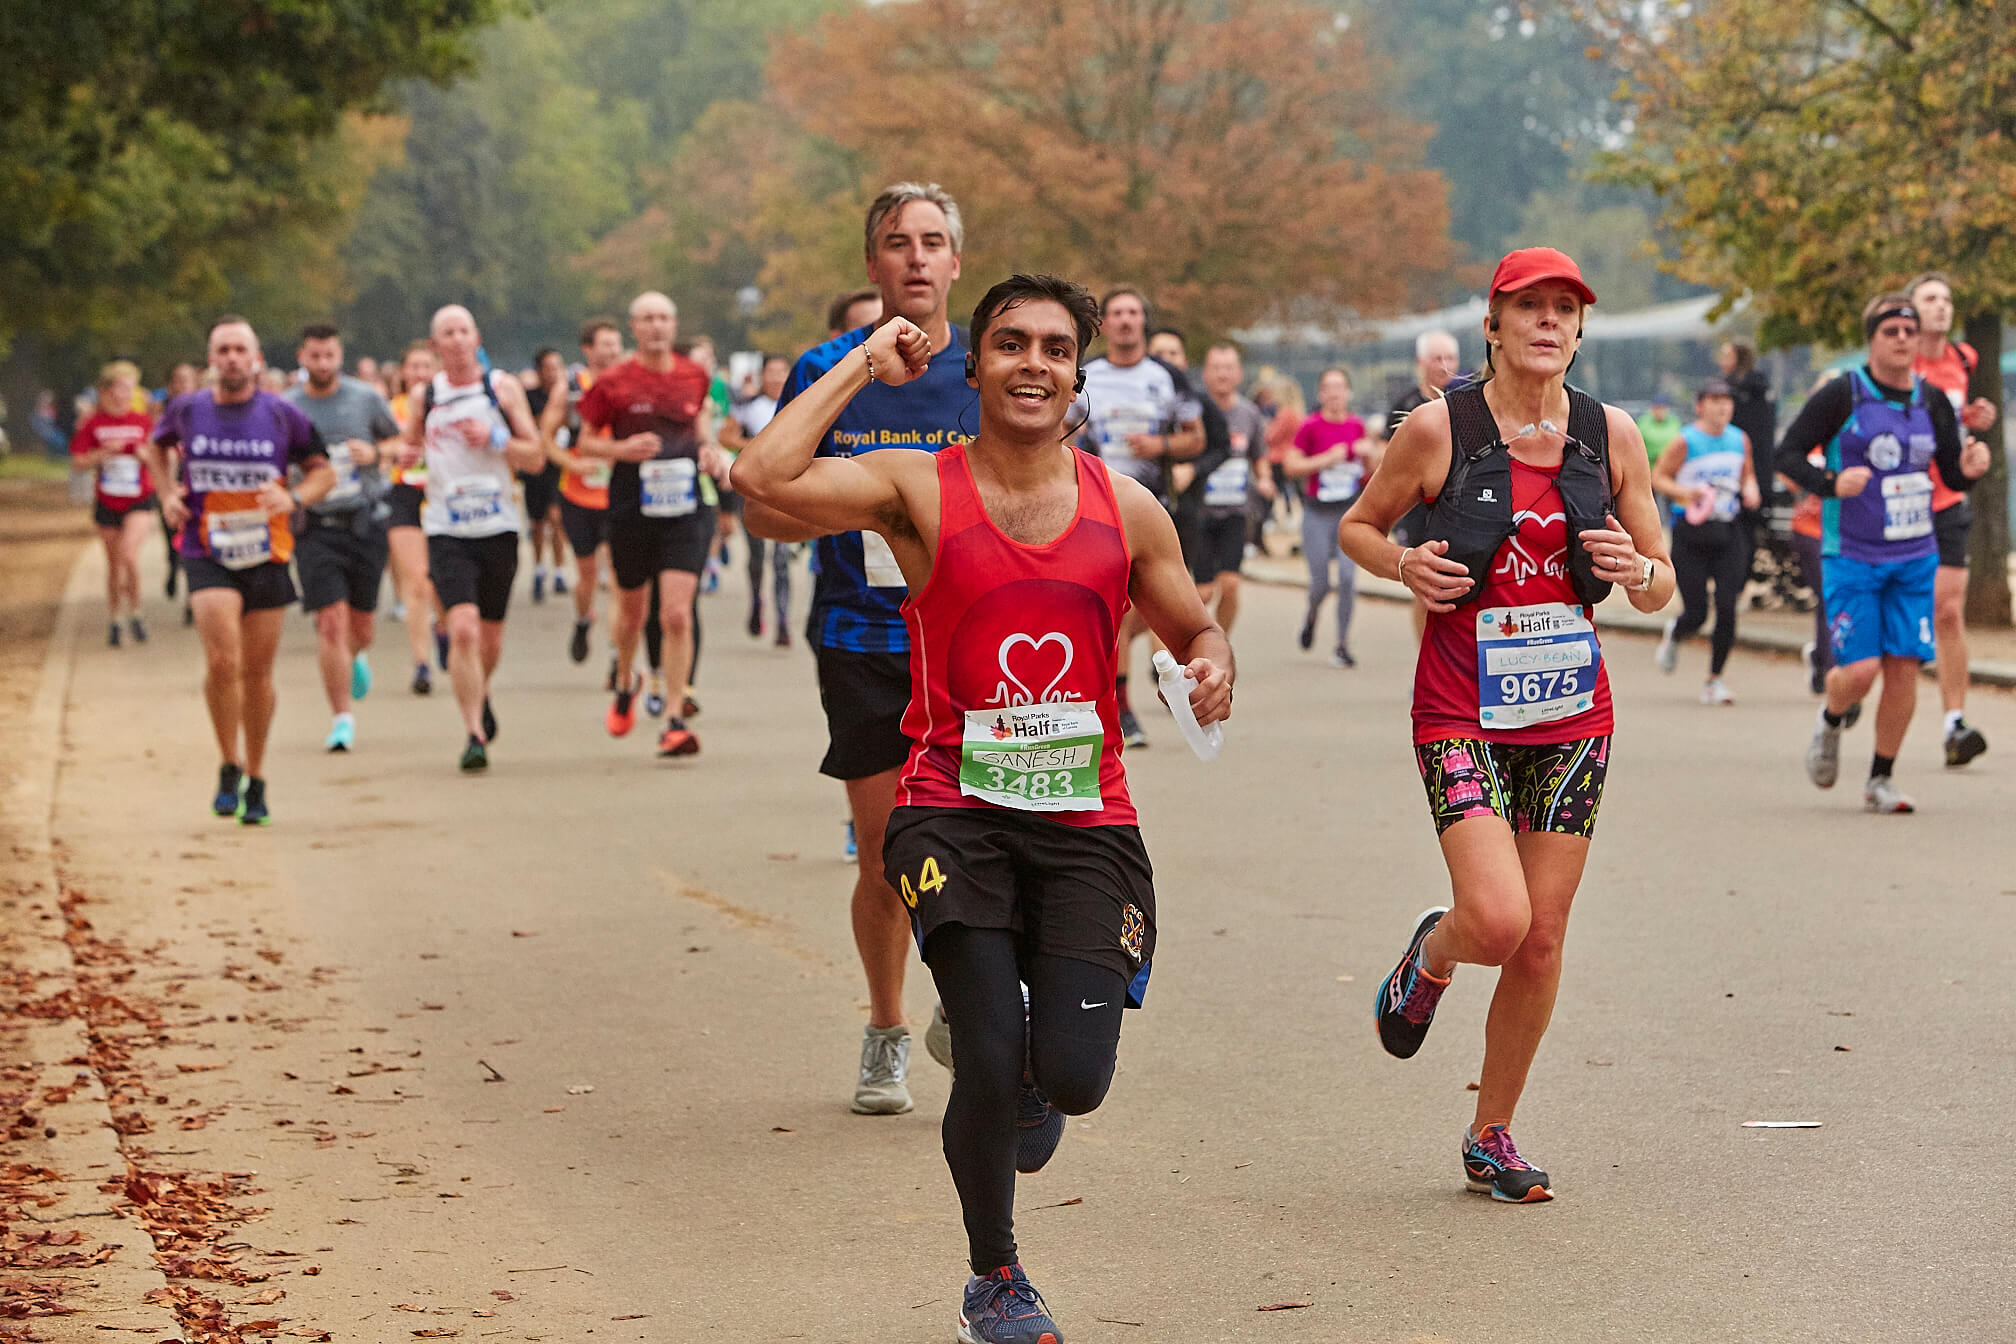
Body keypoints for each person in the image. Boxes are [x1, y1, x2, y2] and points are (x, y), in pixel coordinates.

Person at [733, 274, 1232, 1344]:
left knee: (1074, 1081)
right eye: (1011, 344)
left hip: (1085, 819)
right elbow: (759, 472)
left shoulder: (1125, 507)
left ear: (1078, 377)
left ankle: (1031, 1067)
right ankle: (996, 1279)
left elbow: (1195, 626)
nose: (1033, 363)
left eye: (1055, 348)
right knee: (994, 1055)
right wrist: (867, 361)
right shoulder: (917, 488)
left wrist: (1212, 661)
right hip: (947, 808)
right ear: (976, 365)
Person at [1340, 248, 1674, 1204]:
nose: (1548, 322)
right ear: (1493, 322)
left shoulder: (1612, 437)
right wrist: (1403, 567)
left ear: (1578, 331)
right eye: (1529, 305)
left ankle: (1493, 1132)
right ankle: (1431, 955)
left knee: (1541, 938)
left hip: (1573, 718)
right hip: (1460, 709)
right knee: (1494, 918)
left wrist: (1634, 569)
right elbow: (1362, 526)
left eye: (1565, 309)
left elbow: (1660, 581)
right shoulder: (1441, 428)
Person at [745, 182, 974, 1115]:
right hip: (865, 634)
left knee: (986, 837)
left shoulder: (993, 366)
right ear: (872, 266)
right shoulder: (827, 367)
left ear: (957, 262)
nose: (916, 258)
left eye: (932, 242)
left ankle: (971, 1002)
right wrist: (867, 513)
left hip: (976, 641)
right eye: (896, 243)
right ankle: (886, 1028)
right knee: (885, 850)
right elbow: (762, 506)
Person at [1779, 293, 1990, 813]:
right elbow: (1785, 453)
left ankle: (1880, 777)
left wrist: (1972, 464)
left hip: (1916, 555)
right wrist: (1830, 482)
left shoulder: (1932, 399)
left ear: (1918, 342)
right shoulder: (1842, 394)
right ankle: (1831, 720)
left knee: (1904, 666)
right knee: (1861, 671)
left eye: (1908, 332)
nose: (1900, 340)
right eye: (1889, 331)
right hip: (1851, 553)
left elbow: (1952, 472)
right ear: (1871, 340)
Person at [142, 317, 336, 825]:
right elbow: (154, 446)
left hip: (267, 551)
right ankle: (228, 762)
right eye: (222, 349)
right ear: (211, 359)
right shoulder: (188, 410)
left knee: (257, 672)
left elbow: (324, 470)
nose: (230, 358)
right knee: (223, 662)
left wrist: (292, 496)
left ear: (254, 359)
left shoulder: (281, 415)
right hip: (206, 549)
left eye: (239, 350)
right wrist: (167, 494)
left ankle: (257, 774)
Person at [575, 292, 726, 758]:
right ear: (634, 327)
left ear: (673, 324)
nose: (657, 326)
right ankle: (626, 679)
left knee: (677, 613)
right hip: (630, 506)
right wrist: (621, 450)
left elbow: (700, 428)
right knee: (633, 614)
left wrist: (708, 451)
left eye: (665, 318)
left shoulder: (694, 375)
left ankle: (676, 717)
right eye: (648, 319)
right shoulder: (613, 381)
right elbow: (584, 442)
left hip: (683, 506)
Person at [398, 305, 546, 772]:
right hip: (446, 528)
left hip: (498, 526)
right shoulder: (426, 396)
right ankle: (473, 732)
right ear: (435, 344)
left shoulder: (501, 389)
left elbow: (537, 457)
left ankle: (481, 691)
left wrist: (496, 437)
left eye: (464, 331)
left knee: (489, 638)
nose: (458, 340)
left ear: (476, 337)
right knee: (461, 628)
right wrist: (405, 456)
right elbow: (409, 450)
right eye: (448, 333)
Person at [1073, 288, 1204, 746]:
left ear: (1143, 322)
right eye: (1116, 314)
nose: (1125, 321)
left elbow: (1196, 438)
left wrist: (1160, 447)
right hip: (1096, 504)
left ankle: (1134, 694)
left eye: (1133, 313)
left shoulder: (1166, 377)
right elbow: (1061, 429)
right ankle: (1121, 708)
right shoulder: (1087, 375)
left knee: (1152, 610)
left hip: (1154, 508)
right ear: (1104, 325)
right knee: (1121, 612)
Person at [285, 324, 403, 751]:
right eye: (314, 356)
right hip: (315, 526)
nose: (322, 364)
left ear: (340, 355)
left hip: (365, 521)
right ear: (302, 357)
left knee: (361, 627)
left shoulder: (365, 397)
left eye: (329, 355)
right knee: (329, 622)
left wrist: (376, 454)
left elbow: (400, 441)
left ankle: (356, 655)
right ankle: (341, 718)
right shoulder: (287, 407)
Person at [1907, 272, 2001, 766]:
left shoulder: (1963, 359)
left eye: (1947, 298)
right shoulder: (1896, 361)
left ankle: (1954, 724)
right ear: (1910, 309)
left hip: (1947, 501)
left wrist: (1974, 419)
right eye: (1930, 299)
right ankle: (1847, 686)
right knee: (1893, 611)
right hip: (1899, 504)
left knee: (1947, 610)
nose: (1941, 307)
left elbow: (1949, 419)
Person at [1651, 380, 1760, 704]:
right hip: (1691, 535)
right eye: (1715, 401)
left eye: (1727, 402)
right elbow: (1658, 477)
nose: (1722, 408)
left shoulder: (1740, 439)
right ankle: (1676, 633)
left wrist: (1751, 488)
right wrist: (1687, 493)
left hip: (1728, 532)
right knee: (1697, 613)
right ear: (1700, 406)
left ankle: (1714, 681)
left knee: (1727, 608)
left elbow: (1747, 475)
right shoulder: (1686, 441)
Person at [544, 318, 624, 668]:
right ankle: (582, 620)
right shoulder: (573, 387)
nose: (613, 350)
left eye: (616, 343)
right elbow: (545, 436)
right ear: (588, 349)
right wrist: (572, 464)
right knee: (588, 575)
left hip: (619, 493)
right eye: (605, 343)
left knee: (621, 576)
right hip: (578, 494)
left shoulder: (630, 383)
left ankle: (617, 650)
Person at [1286, 367, 1375, 665]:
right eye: (1329, 388)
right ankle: (1311, 616)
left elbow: (1373, 472)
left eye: (1340, 388)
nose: (1335, 394)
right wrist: (1326, 459)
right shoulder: (1310, 427)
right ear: (1321, 394)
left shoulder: (1357, 425)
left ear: (1348, 393)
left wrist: (1368, 455)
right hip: (1317, 514)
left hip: (1349, 512)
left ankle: (1341, 644)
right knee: (1321, 583)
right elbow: (1291, 465)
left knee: (1349, 579)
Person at [71, 362, 157, 645]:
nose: (125, 394)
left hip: (139, 498)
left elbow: (159, 456)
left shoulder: (143, 422)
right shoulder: (93, 423)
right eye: (121, 387)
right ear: (106, 390)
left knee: (129, 555)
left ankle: (136, 611)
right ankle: (115, 618)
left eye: (130, 388)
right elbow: (79, 462)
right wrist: (103, 454)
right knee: (114, 564)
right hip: (107, 500)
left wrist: (145, 456)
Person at [1386, 331, 1462, 640]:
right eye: (1436, 358)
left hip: (1457, 507)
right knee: (1425, 588)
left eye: (1450, 359)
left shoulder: (1468, 400)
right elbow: (1384, 454)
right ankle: (1426, 658)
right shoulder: (1406, 404)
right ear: (1421, 363)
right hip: (1417, 510)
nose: (1444, 366)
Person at [719, 353, 795, 644]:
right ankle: (756, 602)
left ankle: (783, 622)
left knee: (781, 558)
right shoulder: (747, 407)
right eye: (772, 372)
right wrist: (757, 446)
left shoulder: (798, 404)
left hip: (787, 489)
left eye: (782, 371)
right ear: (762, 376)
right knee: (756, 556)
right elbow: (725, 437)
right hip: (753, 489)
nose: (777, 378)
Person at [1194, 342, 1269, 631]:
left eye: (1228, 368)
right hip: (1200, 511)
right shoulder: (1195, 411)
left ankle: (1219, 640)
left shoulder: (1249, 414)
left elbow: (1259, 454)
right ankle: (1192, 640)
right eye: (1216, 368)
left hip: (1236, 511)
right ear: (1205, 374)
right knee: (1202, 592)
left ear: (1238, 374)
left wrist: (1264, 478)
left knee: (1231, 585)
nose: (1222, 374)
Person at [386, 341, 443, 694]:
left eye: (427, 366)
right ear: (404, 373)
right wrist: (395, 450)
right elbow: (378, 446)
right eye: (414, 366)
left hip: (442, 495)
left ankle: (444, 629)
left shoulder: (449, 405)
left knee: (441, 581)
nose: (420, 373)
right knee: (418, 583)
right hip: (403, 495)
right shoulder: (390, 408)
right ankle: (421, 663)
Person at [519, 348, 570, 604]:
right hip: (536, 466)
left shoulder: (568, 397)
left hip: (559, 465)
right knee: (537, 521)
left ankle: (560, 570)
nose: (554, 373)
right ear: (539, 371)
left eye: (558, 367)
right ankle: (539, 567)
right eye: (549, 368)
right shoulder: (529, 397)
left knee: (557, 517)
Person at [1634, 392, 1683, 464]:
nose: (1660, 411)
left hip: (1669, 465)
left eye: (1663, 408)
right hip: (1648, 465)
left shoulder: (1674, 423)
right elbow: (1637, 445)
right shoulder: (1643, 422)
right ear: (1652, 408)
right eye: (1657, 407)